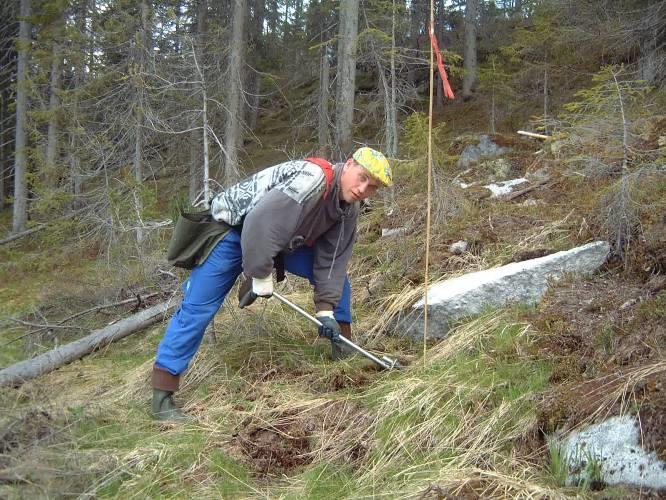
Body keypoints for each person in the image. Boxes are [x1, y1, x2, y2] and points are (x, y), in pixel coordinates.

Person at [151, 147, 393, 421]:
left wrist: (325, 311)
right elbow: (259, 224)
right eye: (361, 177)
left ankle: (344, 349)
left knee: (340, 283)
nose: (362, 188)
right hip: (233, 232)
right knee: (198, 309)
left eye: (372, 187)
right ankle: (162, 395)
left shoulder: (347, 208)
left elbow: (333, 260)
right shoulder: (311, 179)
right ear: (348, 165)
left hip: (281, 242)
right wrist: (261, 274)